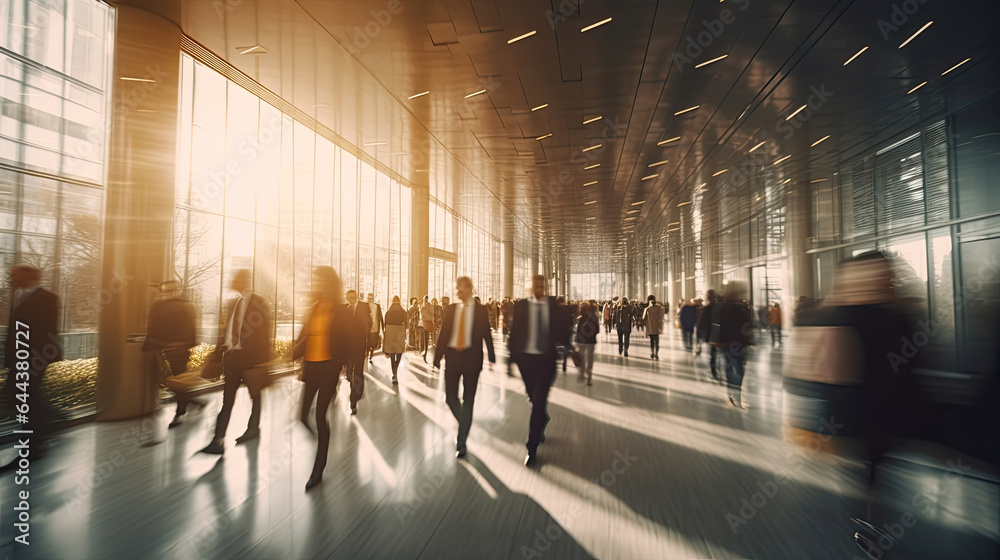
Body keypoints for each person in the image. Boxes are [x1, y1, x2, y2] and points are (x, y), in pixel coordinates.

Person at [200, 269, 272, 455]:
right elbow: (227, 329)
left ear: (243, 281)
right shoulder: (234, 303)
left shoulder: (260, 302)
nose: (231, 282)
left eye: (235, 279)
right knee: (228, 399)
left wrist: (261, 362)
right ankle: (218, 439)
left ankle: (253, 428)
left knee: (255, 396)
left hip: (250, 360)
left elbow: (265, 334)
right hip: (232, 359)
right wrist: (220, 349)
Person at [291, 266, 347, 490]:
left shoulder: (340, 310)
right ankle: (320, 440)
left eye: (320, 280)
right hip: (312, 368)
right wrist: (295, 354)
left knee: (320, 415)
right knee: (302, 416)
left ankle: (318, 468)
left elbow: (348, 343)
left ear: (330, 284)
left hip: (329, 370)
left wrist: (349, 371)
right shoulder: (315, 307)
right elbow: (307, 335)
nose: (316, 284)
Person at [2, 265, 60, 472]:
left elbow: (45, 331)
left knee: (23, 398)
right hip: (21, 359)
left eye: (14, 275)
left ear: (28, 277)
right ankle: (44, 428)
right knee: (24, 397)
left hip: (32, 359)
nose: (11, 278)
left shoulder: (47, 298)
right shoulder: (20, 296)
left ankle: (32, 448)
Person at [509, 275, 570, 467]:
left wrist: (571, 349)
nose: (538, 288)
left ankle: (531, 448)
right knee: (533, 399)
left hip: (546, 361)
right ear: (529, 287)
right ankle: (543, 417)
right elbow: (515, 332)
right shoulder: (521, 306)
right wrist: (510, 360)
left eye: (542, 285)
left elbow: (562, 331)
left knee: (537, 403)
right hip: (526, 361)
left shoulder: (553, 306)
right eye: (535, 284)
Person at [433, 276, 495, 459]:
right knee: (450, 398)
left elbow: (486, 332)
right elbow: (444, 333)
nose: (457, 292)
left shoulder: (481, 310)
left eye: (460, 288)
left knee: (469, 399)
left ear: (469, 289)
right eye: (456, 288)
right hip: (452, 357)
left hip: (472, 359)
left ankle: (461, 441)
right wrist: (436, 358)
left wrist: (492, 356)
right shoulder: (450, 309)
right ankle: (465, 423)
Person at [143, 280, 198, 428]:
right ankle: (187, 402)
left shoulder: (159, 306)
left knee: (172, 379)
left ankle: (182, 408)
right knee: (177, 379)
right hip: (178, 349)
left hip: (165, 348)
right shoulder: (185, 305)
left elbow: (152, 328)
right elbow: (191, 328)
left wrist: (157, 344)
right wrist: (185, 344)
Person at [711, 282, 753, 409]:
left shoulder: (721, 307)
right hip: (738, 343)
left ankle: (732, 393)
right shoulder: (743, 307)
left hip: (725, 343)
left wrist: (715, 341)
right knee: (739, 369)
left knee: (730, 369)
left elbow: (715, 324)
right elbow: (748, 326)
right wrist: (749, 341)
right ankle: (737, 395)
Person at [344, 289, 372, 415]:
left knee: (358, 371)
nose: (351, 299)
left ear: (356, 296)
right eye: (348, 297)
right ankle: (356, 388)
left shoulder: (364, 306)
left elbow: (370, 323)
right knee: (349, 373)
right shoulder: (344, 309)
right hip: (347, 346)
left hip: (360, 345)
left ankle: (353, 401)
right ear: (346, 298)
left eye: (353, 296)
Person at [696, 289, 721, 381]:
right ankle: (715, 371)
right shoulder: (717, 308)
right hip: (715, 335)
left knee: (714, 354)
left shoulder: (706, 309)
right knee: (714, 354)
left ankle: (714, 371)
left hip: (714, 335)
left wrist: (699, 341)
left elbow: (700, 325)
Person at [383, 296, 407, 383]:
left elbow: (385, 324)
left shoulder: (388, 312)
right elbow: (406, 323)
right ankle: (396, 367)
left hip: (390, 334)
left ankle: (394, 374)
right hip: (399, 334)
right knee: (399, 353)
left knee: (392, 355)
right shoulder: (403, 312)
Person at [575, 301, 599, 385]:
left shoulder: (580, 317)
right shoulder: (593, 316)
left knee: (582, 356)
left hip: (582, 341)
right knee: (589, 357)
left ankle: (582, 372)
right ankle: (589, 373)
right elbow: (597, 329)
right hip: (591, 341)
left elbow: (577, 330)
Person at [643, 295, 665, 359]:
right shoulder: (660, 308)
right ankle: (656, 353)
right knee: (657, 342)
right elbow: (662, 316)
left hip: (650, 328)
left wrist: (647, 324)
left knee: (652, 341)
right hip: (657, 328)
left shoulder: (647, 309)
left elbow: (644, 318)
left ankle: (652, 352)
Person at [366, 293, 383, 363]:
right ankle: (367, 355)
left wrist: (383, 328)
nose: (370, 300)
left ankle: (370, 356)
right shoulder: (365, 306)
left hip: (375, 328)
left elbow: (381, 317)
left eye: (371, 298)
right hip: (367, 329)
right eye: (369, 298)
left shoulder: (377, 306)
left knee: (373, 344)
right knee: (367, 343)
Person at [419, 295, 434, 362]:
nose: (425, 300)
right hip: (423, 323)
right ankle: (422, 351)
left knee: (426, 339)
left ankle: (425, 352)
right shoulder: (422, 306)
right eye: (424, 299)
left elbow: (431, 314)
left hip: (427, 322)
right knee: (422, 339)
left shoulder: (430, 306)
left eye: (426, 299)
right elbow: (421, 315)